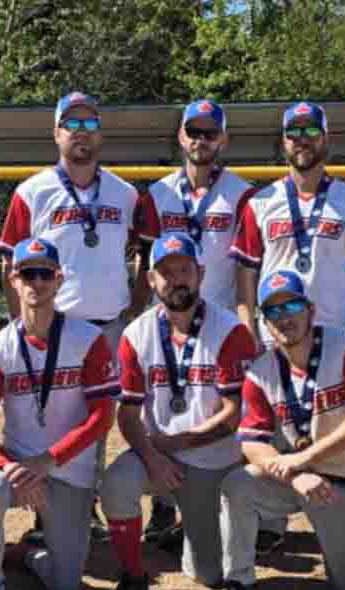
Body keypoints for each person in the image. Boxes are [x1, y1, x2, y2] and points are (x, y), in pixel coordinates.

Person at [191, 270, 345, 590]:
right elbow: (252, 441)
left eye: (293, 305)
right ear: (264, 322)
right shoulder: (260, 371)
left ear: (311, 310)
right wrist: (298, 475)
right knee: (238, 484)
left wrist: (302, 459)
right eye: (272, 311)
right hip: (305, 481)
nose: (285, 317)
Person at [229, 100, 345, 553]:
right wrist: (250, 334)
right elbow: (246, 279)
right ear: (283, 142)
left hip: (332, 337)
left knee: (334, 429)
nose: (302, 140)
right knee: (276, 431)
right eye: (294, 133)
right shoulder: (260, 203)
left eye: (310, 131)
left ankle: (338, 514)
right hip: (276, 336)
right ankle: (273, 524)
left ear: (326, 138)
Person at [0, 92, 143, 544]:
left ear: (100, 132)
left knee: (97, 419)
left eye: (89, 123)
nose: (81, 131)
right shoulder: (32, 190)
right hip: (53, 324)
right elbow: (9, 263)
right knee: (48, 418)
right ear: (56, 133)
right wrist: (27, 316)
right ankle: (45, 511)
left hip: (106, 324)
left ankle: (86, 504)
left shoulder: (125, 192)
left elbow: (141, 256)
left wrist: (133, 311)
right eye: (71, 123)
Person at [0, 238, 119, 590]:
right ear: (12, 280)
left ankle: (30, 553)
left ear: (59, 279)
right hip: (17, 468)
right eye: (27, 273)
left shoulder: (87, 339)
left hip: (69, 469)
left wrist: (48, 462)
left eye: (45, 273)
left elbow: (103, 417)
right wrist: (9, 466)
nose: (36, 282)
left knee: (66, 587)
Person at [98, 233, 256, 590]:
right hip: (160, 454)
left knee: (209, 576)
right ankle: (134, 577)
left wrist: (173, 445)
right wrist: (153, 458)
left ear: (201, 274)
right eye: (165, 273)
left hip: (212, 459)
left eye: (184, 269)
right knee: (116, 483)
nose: (176, 279)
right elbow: (128, 414)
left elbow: (235, 416)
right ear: (150, 280)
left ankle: (197, 527)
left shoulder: (230, 329)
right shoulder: (136, 334)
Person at [134, 99, 255, 542]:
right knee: (160, 411)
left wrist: (248, 323)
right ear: (180, 136)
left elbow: (246, 269)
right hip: (166, 317)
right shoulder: (158, 193)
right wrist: (136, 316)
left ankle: (225, 504)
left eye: (210, 132)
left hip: (219, 321)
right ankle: (164, 507)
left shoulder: (242, 193)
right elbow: (139, 263)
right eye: (193, 131)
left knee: (221, 415)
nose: (201, 140)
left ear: (223, 139)